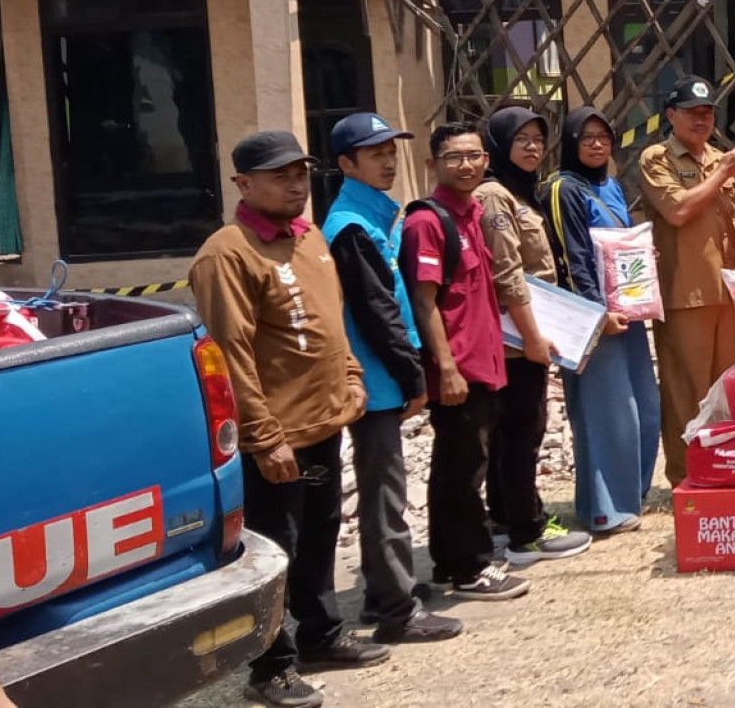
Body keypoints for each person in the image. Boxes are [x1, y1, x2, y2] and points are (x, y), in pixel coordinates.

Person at [190, 131, 390, 708]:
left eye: (301, 173)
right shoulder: (228, 253)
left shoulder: (311, 240)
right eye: (280, 176)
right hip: (274, 438)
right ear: (243, 184)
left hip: (323, 424)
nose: (297, 184)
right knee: (273, 547)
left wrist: (352, 377)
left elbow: (332, 322)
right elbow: (232, 353)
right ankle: (269, 665)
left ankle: (322, 633)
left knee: (321, 536)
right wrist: (262, 437)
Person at [321, 114, 464, 647]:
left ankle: (388, 591)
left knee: (388, 488)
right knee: (386, 494)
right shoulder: (351, 227)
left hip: (385, 376)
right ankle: (397, 612)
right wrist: (413, 378)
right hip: (377, 381)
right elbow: (378, 312)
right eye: (373, 153)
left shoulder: (375, 216)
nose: (386, 160)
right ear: (345, 164)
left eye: (390, 150)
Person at [403, 123, 531, 602]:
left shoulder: (472, 213)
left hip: (483, 361)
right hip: (458, 368)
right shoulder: (427, 222)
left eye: (475, 156)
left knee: (462, 464)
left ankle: (448, 559)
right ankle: (469, 568)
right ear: (433, 163)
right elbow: (424, 302)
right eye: (455, 157)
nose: (467, 165)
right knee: (461, 468)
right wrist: (447, 367)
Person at [477, 107, 594, 564]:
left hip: (530, 329)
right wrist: (532, 337)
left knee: (517, 429)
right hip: (517, 336)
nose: (531, 147)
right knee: (522, 430)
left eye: (537, 139)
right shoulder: (494, 195)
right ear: (499, 146)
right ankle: (528, 530)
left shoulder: (521, 193)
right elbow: (508, 275)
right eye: (520, 139)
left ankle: (507, 518)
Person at [547, 106, 664, 530]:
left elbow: (621, 239)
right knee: (606, 413)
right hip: (595, 319)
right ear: (571, 144)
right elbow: (572, 256)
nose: (597, 144)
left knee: (642, 408)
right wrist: (597, 314)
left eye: (603, 136)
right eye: (586, 137)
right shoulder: (563, 189)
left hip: (628, 312)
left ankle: (632, 495)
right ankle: (604, 509)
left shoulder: (611, 185)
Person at [635, 82, 735, 490]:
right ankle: (686, 477)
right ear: (670, 115)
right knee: (687, 392)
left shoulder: (720, 159)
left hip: (728, 291)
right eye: (691, 111)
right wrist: (721, 174)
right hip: (686, 293)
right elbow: (678, 210)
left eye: (708, 111)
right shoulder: (657, 158)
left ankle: (725, 468)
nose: (701, 119)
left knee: (727, 390)